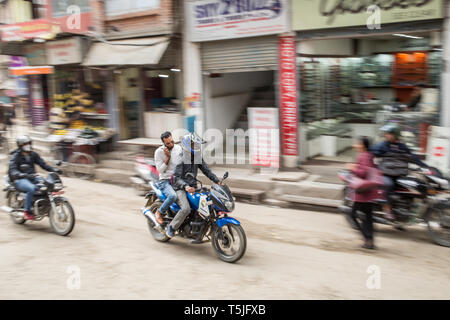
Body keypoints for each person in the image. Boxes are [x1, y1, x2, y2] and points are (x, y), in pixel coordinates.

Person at [167, 132, 220, 239]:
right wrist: (186, 186)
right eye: (193, 145)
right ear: (187, 145)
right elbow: (176, 178)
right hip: (180, 188)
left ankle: (199, 226)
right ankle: (171, 227)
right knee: (186, 208)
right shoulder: (180, 159)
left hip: (193, 187)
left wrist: (217, 181)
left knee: (208, 201)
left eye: (196, 145)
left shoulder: (197, 157)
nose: (196, 147)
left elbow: (206, 170)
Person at [370, 123, 428, 220]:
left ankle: (403, 213)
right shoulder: (382, 146)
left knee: (413, 185)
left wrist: (425, 167)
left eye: (388, 133)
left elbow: (413, 158)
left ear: (395, 134)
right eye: (386, 133)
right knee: (388, 185)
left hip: (400, 175)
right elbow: (370, 153)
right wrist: (372, 167)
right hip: (386, 174)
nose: (386, 135)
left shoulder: (403, 147)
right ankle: (387, 209)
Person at [8, 135, 62, 220]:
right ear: (20, 145)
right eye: (25, 144)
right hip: (20, 179)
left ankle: (43, 205)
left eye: (29, 143)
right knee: (31, 188)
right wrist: (21, 174)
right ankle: (27, 211)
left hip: (32, 177)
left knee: (47, 185)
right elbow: (12, 170)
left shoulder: (33, 154)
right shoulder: (15, 156)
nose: (28, 145)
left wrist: (54, 170)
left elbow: (43, 164)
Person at [346, 136, 377, 250]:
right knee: (367, 217)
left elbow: (363, 173)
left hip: (363, 192)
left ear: (363, 145)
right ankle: (370, 241)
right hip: (367, 192)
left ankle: (366, 238)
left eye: (357, 143)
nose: (355, 145)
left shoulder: (364, 156)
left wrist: (352, 168)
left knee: (353, 215)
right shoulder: (368, 155)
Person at [146, 131, 182, 225]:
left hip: (177, 179)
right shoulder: (158, 152)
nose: (171, 144)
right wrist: (168, 158)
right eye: (168, 143)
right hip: (164, 181)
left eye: (172, 141)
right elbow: (160, 170)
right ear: (164, 143)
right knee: (173, 196)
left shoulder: (178, 148)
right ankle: (159, 212)